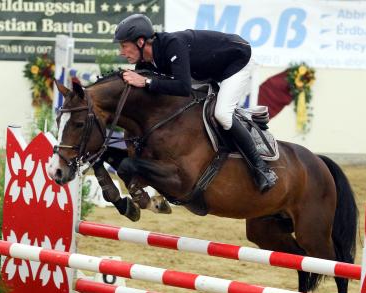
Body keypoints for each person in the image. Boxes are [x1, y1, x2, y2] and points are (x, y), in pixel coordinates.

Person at [113, 14, 277, 192]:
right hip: (206, 71)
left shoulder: (172, 44)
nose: (122, 52)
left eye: (124, 46)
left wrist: (146, 82)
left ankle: (261, 169)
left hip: (236, 61)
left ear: (140, 42)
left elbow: (182, 87)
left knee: (222, 114)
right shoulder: (146, 62)